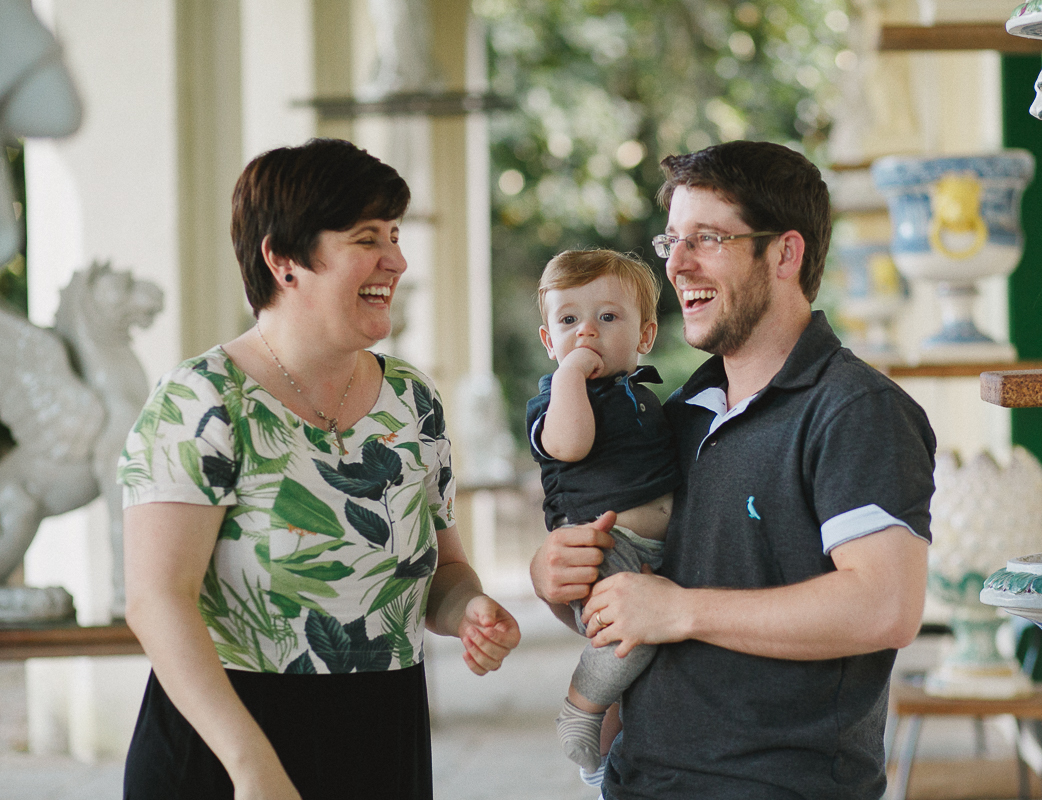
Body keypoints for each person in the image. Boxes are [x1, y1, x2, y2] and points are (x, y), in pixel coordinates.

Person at [530, 140, 937, 800]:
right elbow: (634, 610)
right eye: (672, 242)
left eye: (708, 239)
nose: (677, 264)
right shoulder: (678, 413)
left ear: (784, 254)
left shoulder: (856, 411)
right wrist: (555, 579)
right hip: (639, 783)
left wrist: (682, 611)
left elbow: (885, 607)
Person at [118, 138, 520, 800]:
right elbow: (156, 600)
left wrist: (469, 609)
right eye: (366, 238)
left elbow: (443, 572)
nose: (397, 260)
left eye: (395, 234)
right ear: (283, 260)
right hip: (227, 751)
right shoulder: (200, 399)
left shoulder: (412, 399)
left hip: (383, 739)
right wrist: (251, 766)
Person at [526, 250, 680, 774]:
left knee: (641, 654)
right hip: (602, 548)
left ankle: (605, 766)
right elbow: (570, 445)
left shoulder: (641, 394)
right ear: (549, 342)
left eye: (607, 317)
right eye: (568, 320)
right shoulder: (555, 401)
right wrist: (571, 374)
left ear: (645, 336)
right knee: (630, 638)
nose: (586, 331)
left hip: (651, 551)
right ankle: (580, 709)